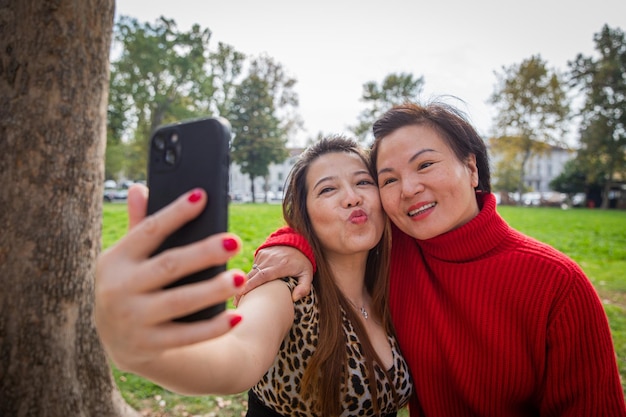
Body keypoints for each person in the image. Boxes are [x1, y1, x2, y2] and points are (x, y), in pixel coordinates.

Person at [245, 102, 626, 416]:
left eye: (425, 165)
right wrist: (290, 245)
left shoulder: (557, 284)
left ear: (472, 168)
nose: (409, 188)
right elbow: (333, 229)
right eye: (389, 179)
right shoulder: (393, 251)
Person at [95, 136, 413, 416]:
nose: (352, 197)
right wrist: (148, 351)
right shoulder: (284, 288)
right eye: (328, 189)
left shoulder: (390, 287)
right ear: (304, 215)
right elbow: (238, 356)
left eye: (363, 182)